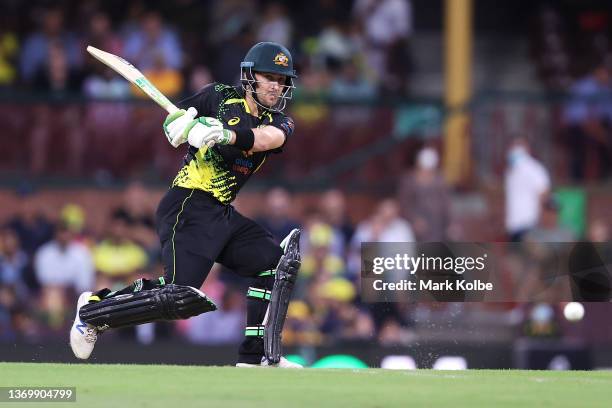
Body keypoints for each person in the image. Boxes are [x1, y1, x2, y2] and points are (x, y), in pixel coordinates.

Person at [70, 42, 302, 368]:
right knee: (180, 296)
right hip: (189, 203)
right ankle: (93, 311)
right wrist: (181, 129)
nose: (276, 85)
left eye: (282, 79)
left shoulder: (281, 122)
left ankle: (258, 356)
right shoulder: (217, 96)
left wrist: (224, 135)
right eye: (269, 76)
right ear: (250, 76)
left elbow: (266, 139)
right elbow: (174, 121)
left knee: (276, 265)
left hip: (220, 211)